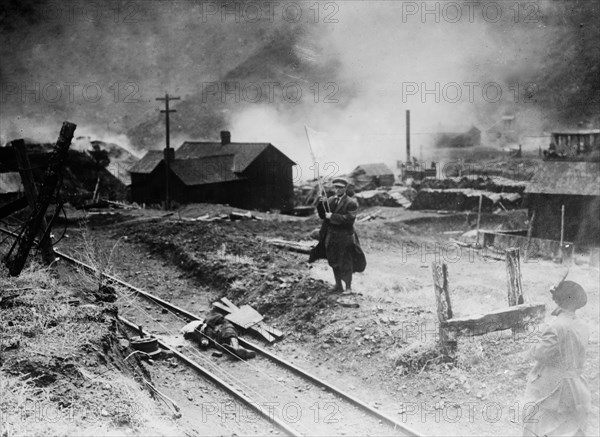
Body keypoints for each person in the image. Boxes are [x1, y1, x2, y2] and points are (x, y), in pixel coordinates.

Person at [522, 280, 590, 437]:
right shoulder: (583, 326)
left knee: (538, 425)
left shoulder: (556, 327)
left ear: (559, 301)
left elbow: (541, 354)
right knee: (571, 428)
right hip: (578, 386)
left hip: (554, 388)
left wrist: (533, 347)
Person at [310, 177, 366, 292]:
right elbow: (323, 215)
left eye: (341, 188)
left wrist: (333, 217)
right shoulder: (330, 200)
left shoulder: (351, 203)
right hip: (331, 236)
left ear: (345, 188)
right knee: (333, 260)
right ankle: (338, 285)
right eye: (336, 187)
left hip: (345, 237)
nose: (338, 190)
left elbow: (349, 219)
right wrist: (321, 203)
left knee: (346, 261)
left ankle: (348, 288)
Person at [181, 313, 256, 360]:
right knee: (227, 335)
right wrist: (203, 340)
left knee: (228, 331)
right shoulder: (195, 330)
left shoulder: (200, 325)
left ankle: (236, 347)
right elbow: (198, 337)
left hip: (216, 329)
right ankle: (239, 349)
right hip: (215, 336)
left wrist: (204, 336)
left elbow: (188, 332)